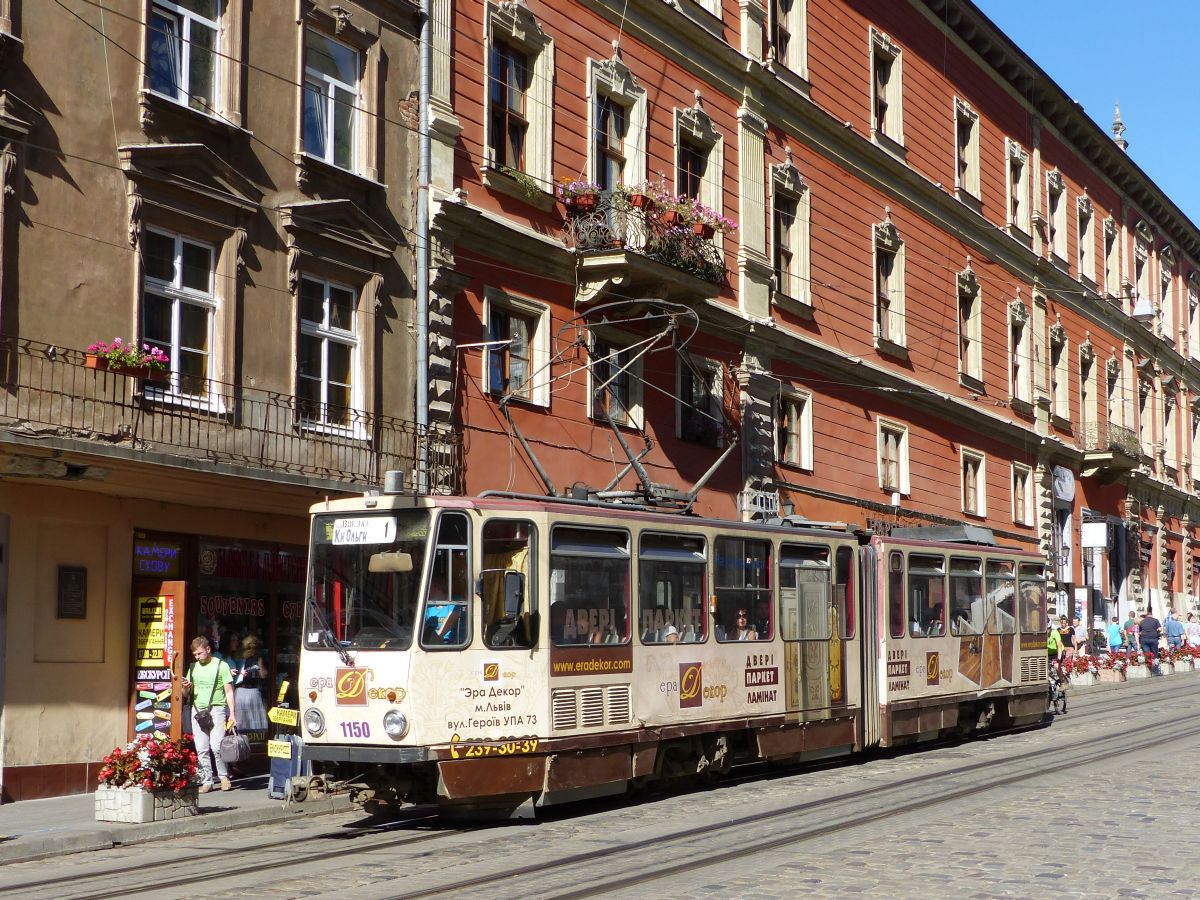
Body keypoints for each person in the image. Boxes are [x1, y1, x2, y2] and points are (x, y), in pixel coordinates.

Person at [181, 635, 236, 793]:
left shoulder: (222, 666)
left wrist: (232, 713)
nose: (197, 657)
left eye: (200, 653)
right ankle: (207, 780)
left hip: (216, 709)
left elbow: (229, 691)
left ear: (208, 649)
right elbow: (186, 694)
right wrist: (185, 687)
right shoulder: (193, 667)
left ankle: (224, 777)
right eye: (195, 655)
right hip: (197, 711)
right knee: (201, 748)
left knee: (217, 746)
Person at [230, 635, 269, 735]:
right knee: (253, 718)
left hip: (239, 691)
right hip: (253, 691)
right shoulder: (257, 657)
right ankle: (255, 739)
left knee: (241, 718)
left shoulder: (237, 656)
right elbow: (263, 675)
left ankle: (240, 737)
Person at [1139, 610, 1162, 674]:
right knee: (1155, 653)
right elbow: (1160, 629)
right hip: (1153, 638)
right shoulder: (1155, 620)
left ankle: (1149, 668)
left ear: (1146, 616)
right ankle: (1156, 669)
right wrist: (1157, 631)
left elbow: (1140, 632)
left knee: (1147, 654)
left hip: (1144, 639)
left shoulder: (1142, 622)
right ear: (1152, 615)